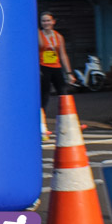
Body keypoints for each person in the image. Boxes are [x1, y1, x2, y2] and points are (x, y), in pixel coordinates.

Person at [39, 11, 76, 140]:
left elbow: (63, 55)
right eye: (43, 21)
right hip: (43, 68)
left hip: (56, 67)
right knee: (44, 97)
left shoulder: (58, 36)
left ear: (53, 21)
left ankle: (69, 124)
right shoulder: (38, 34)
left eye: (48, 20)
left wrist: (69, 73)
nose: (46, 23)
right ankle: (42, 127)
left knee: (64, 94)